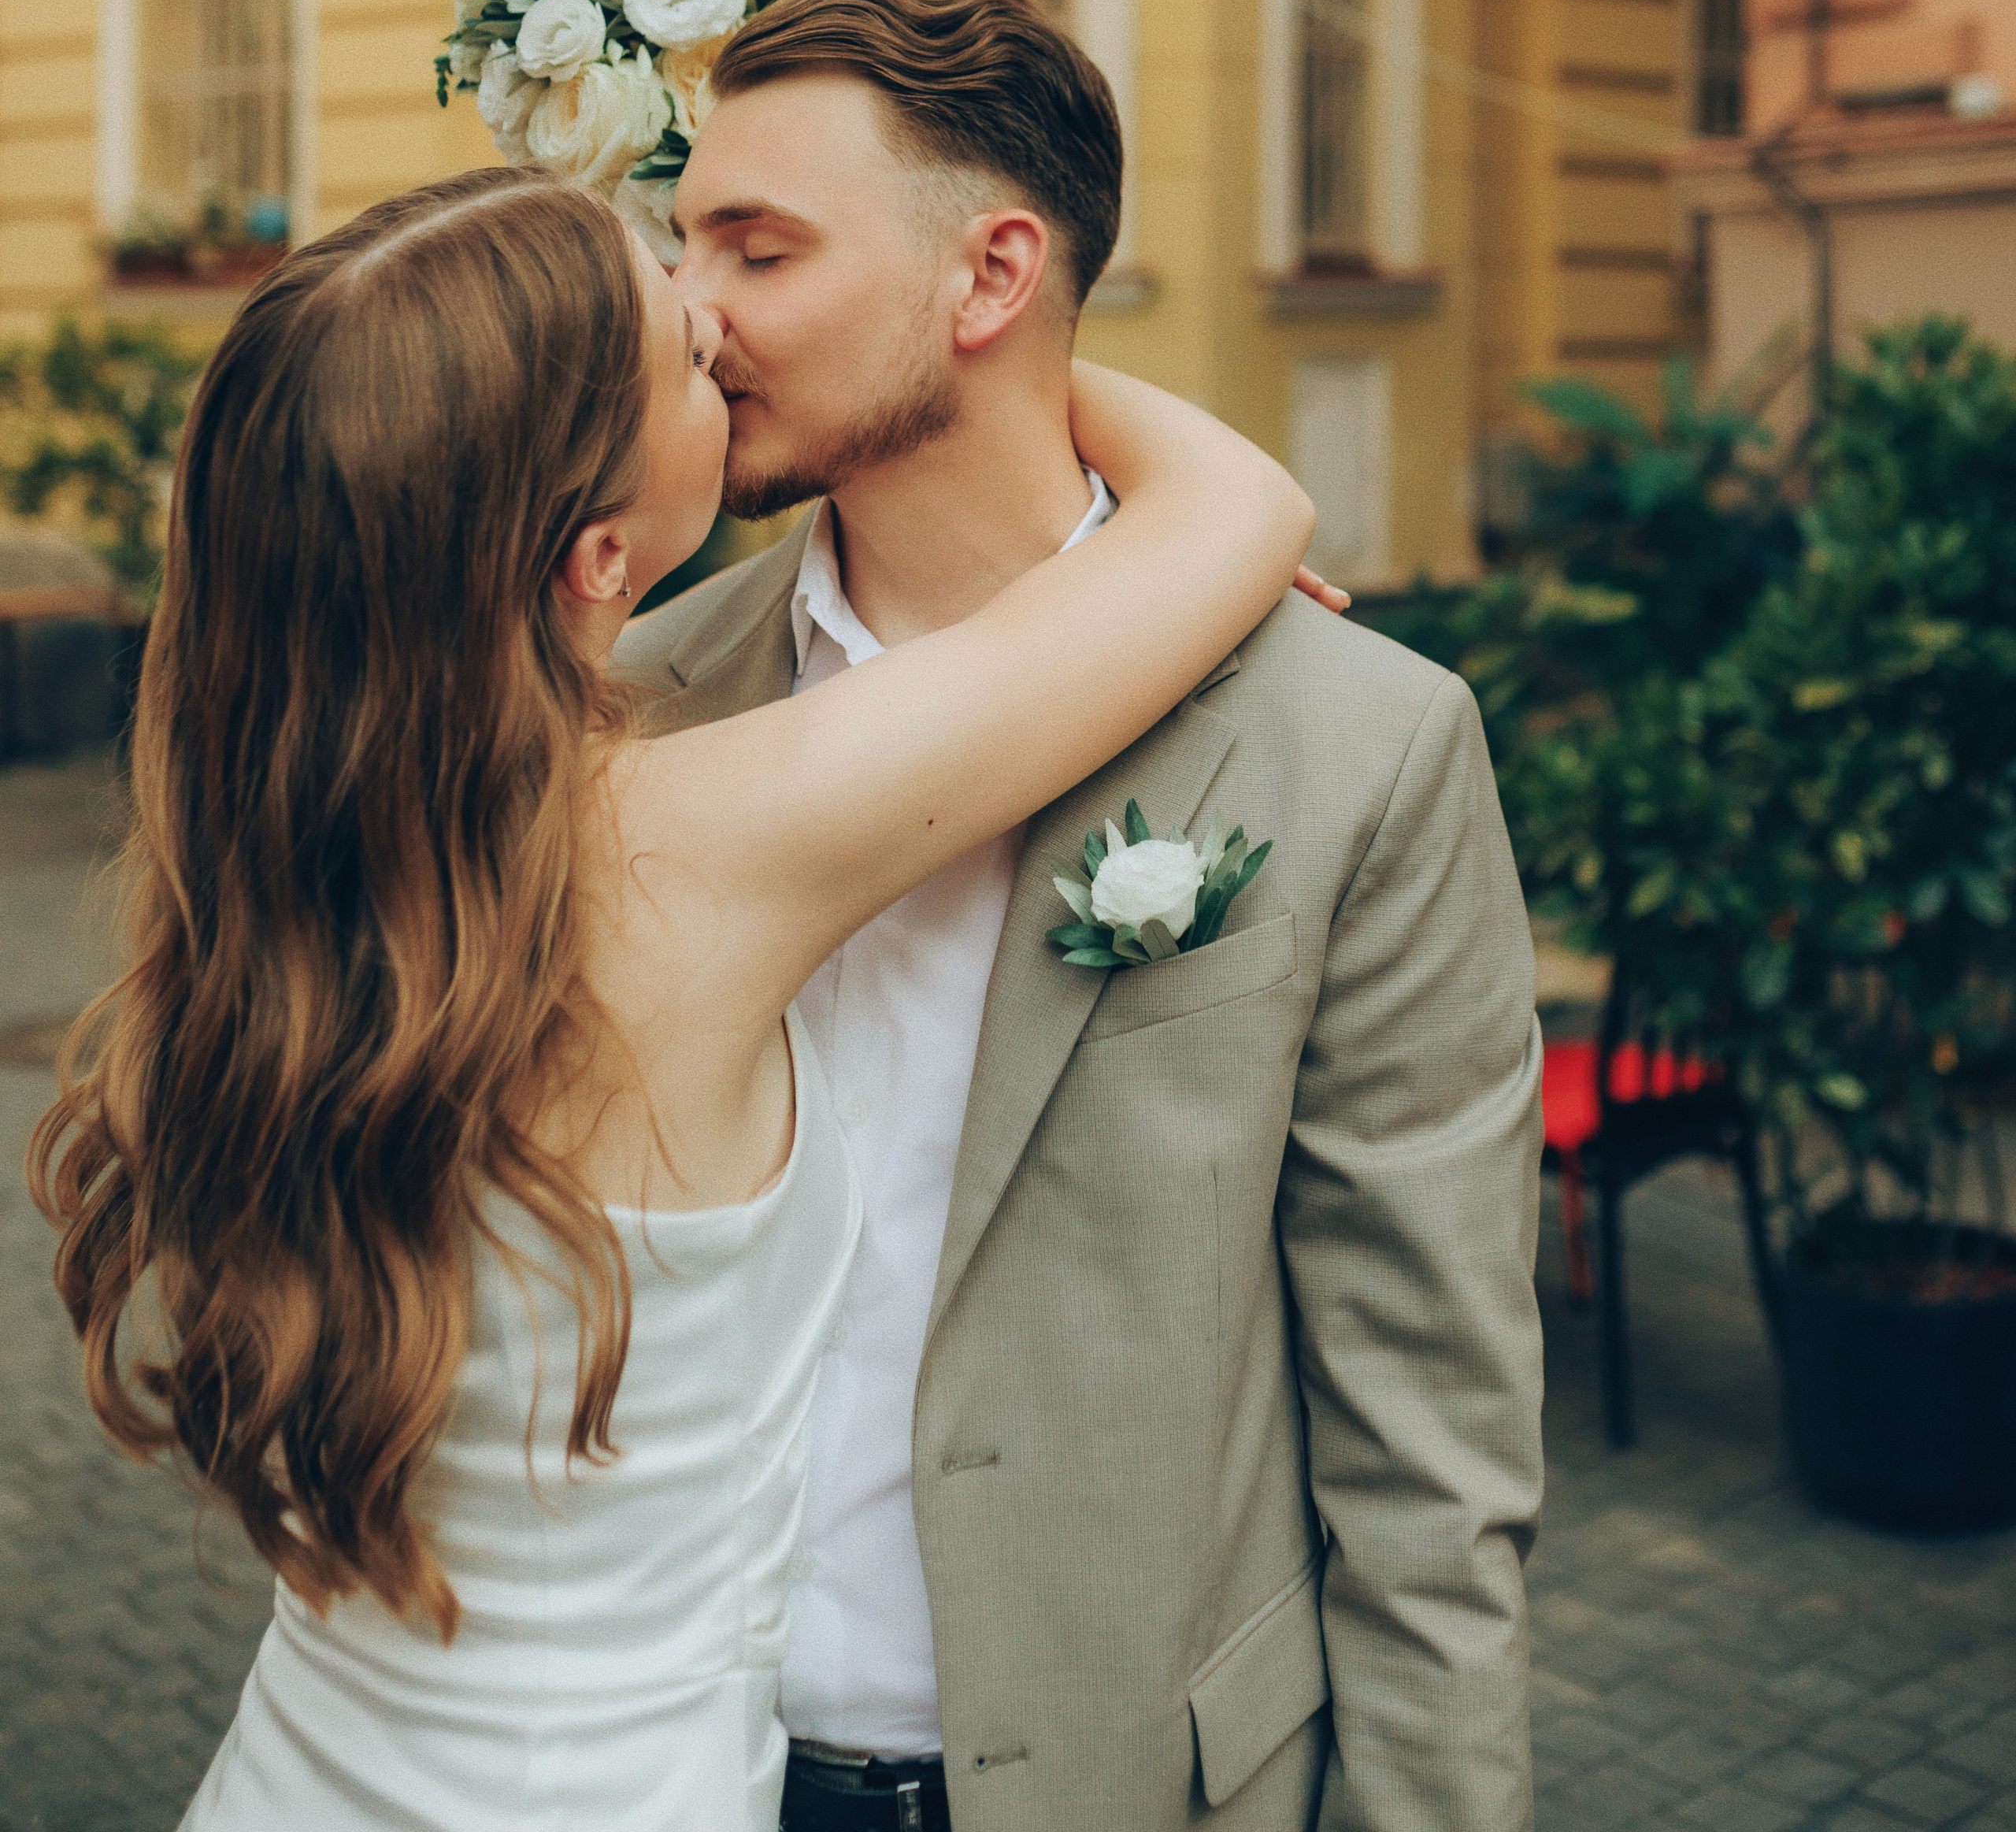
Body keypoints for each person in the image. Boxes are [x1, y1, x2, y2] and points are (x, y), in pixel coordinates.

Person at [28, 165, 1316, 1832]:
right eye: (683, 356)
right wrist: (978, 347)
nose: (718, 318)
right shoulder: (687, 851)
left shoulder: (248, 887)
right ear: (596, 554)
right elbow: (1235, 514)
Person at [619, 0, 1546, 1832]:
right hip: (663, 1767)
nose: (684, 314)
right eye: (678, 245)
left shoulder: (1360, 743)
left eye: (758, 249)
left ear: (989, 277)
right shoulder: (628, 703)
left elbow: (1427, 1431)